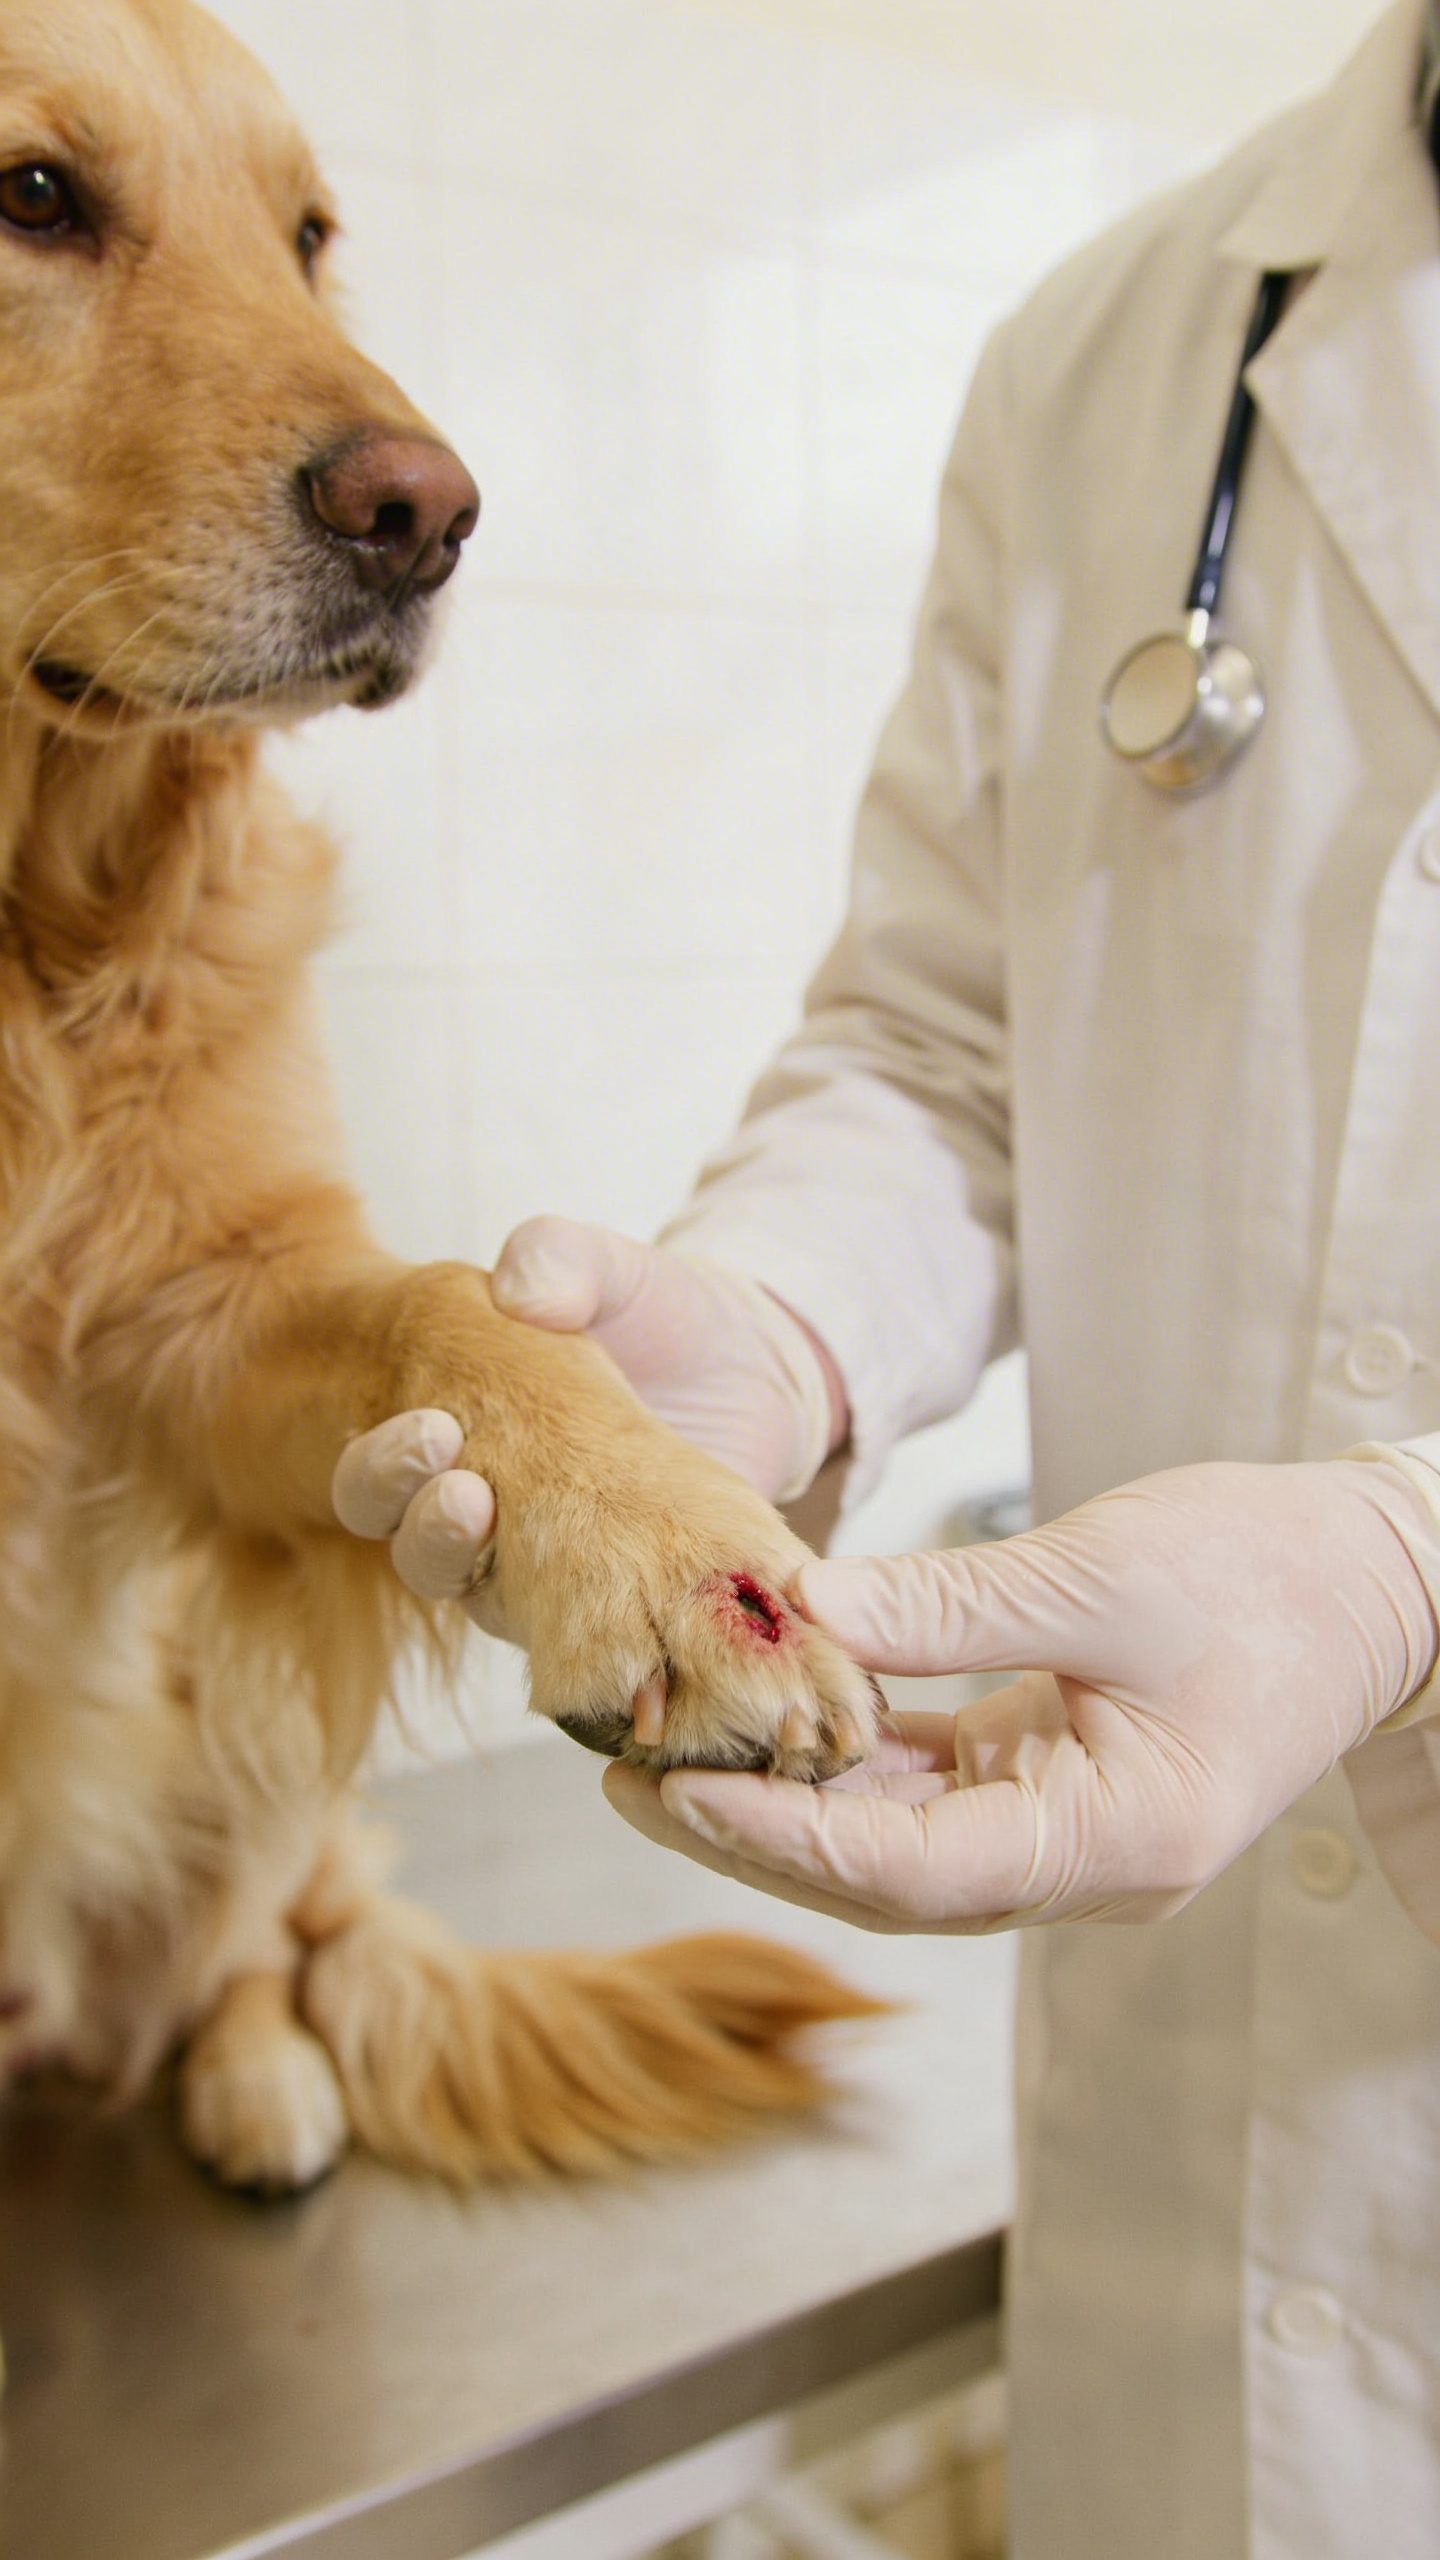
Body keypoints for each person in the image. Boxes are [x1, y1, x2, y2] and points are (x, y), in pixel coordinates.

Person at [333, 3, 1440, 2550]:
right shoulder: (1133, 347)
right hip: (1184, 2253)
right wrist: (776, 1319)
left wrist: (1409, 1561)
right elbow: (947, 1042)